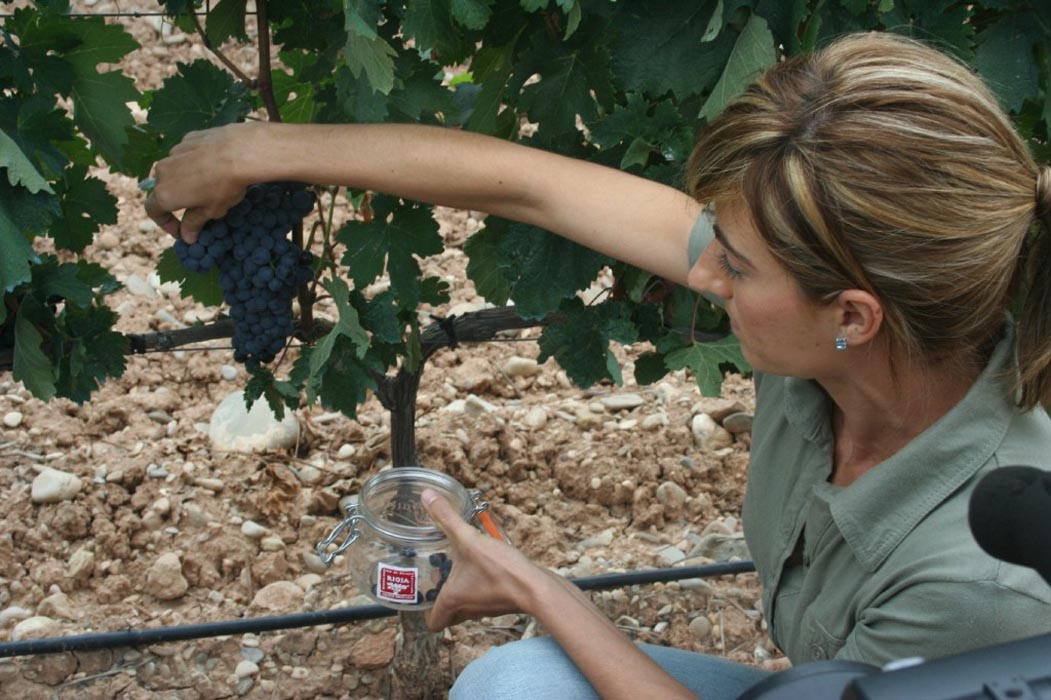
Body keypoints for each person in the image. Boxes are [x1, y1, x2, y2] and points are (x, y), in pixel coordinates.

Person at [146, 31, 1051, 700]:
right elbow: (528, 184)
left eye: (731, 266)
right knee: (522, 689)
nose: (700, 273)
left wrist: (539, 590)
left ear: (852, 315)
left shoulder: (984, 582)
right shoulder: (850, 334)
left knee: (525, 677)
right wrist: (256, 151)